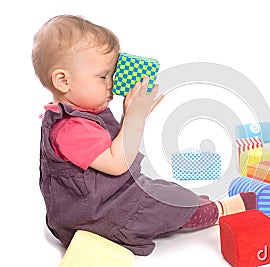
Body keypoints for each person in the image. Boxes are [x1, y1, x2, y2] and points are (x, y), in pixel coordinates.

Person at [32, 14, 256, 256]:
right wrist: (136, 118)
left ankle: (188, 203)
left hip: (108, 200)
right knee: (163, 206)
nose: (112, 82)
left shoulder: (81, 118)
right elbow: (118, 163)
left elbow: (109, 149)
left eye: (112, 74)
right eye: (103, 76)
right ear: (63, 80)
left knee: (162, 189)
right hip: (97, 217)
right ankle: (217, 210)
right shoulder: (70, 128)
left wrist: (129, 116)